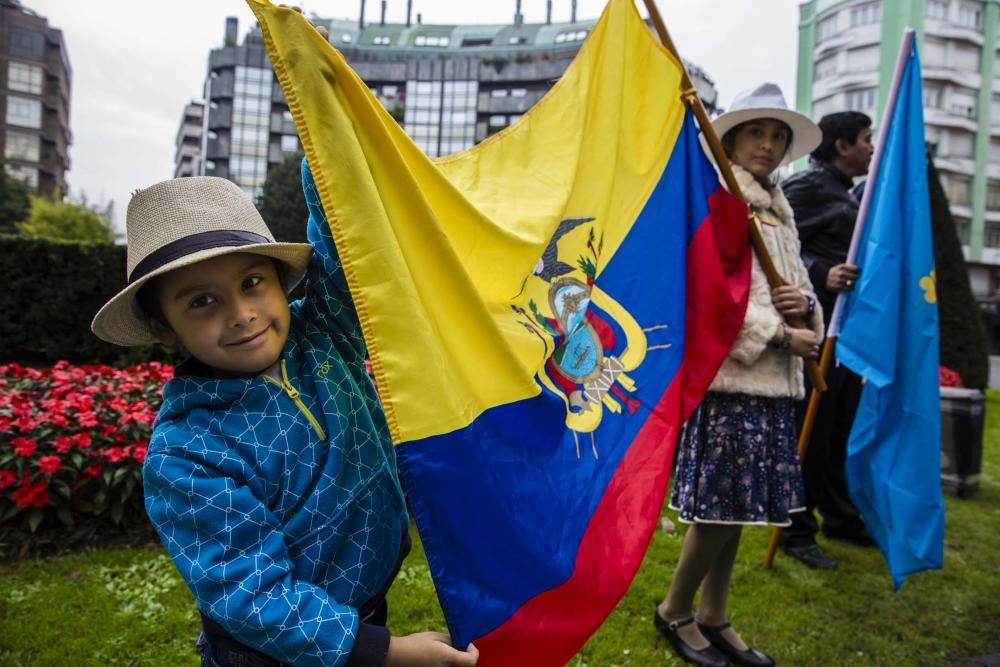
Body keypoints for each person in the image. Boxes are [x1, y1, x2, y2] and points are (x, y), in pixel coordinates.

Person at [91, 161, 479, 667]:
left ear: (281, 281)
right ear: (165, 328)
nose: (240, 313)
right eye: (202, 301)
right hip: (268, 652)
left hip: (361, 608)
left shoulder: (324, 334)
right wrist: (384, 654)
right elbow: (251, 595)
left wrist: (324, 135)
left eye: (252, 282)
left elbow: (347, 242)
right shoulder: (187, 453)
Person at [654, 83, 823, 667]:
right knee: (719, 509)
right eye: (757, 132)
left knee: (743, 508)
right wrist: (777, 334)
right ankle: (675, 610)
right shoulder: (722, 201)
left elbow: (793, 289)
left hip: (775, 382)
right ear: (730, 138)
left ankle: (714, 615)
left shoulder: (778, 206)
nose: (769, 145)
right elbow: (707, 291)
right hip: (732, 380)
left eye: (778, 136)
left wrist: (807, 314)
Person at [779, 111, 876, 570]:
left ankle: (838, 514)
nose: (871, 147)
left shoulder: (846, 192)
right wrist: (822, 273)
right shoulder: (808, 187)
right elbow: (776, 244)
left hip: (842, 332)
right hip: (813, 332)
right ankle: (795, 529)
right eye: (865, 138)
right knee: (809, 432)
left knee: (836, 427)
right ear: (841, 145)